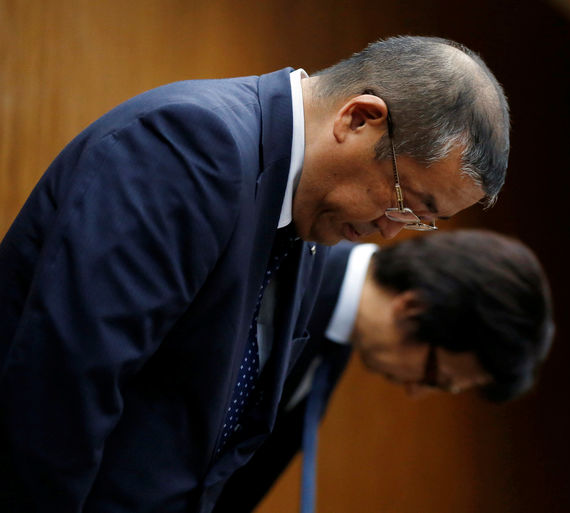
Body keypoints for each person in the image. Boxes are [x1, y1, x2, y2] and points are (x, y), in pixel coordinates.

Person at [0, 36, 510, 512]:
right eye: (406, 202)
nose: (389, 231)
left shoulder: (307, 221)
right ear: (358, 119)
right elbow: (60, 394)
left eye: (418, 222)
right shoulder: (192, 147)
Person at [213, 229, 555, 512]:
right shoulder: (281, 267)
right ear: (413, 308)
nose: (415, 391)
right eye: (433, 376)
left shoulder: (333, 349)